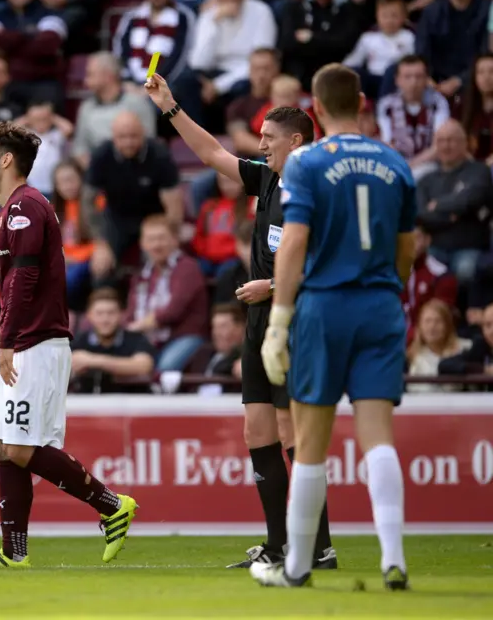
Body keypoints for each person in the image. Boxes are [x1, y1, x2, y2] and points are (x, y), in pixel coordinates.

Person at [144, 73, 335, 570]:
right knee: (258, 433)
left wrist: (271, 287)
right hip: (258, 323)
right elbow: (211, 155)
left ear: (296, 140)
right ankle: (277, 546)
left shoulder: (315, 187)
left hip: (291, 320)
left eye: (269, 138)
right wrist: (170, 108)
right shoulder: (269, 176)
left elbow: (328, 264)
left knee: (294, 435)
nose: (260, 144)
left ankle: (319, 547)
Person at [257, 63, 416, 590]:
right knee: (379, 438)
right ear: (364, 102)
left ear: (318, 108)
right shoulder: (397, 163)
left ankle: (298, 567)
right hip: (380, 306)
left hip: (324, 308)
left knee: (309, 442)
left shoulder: (305, 163)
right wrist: (387, 291)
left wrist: (279, 322)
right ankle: (393, 557)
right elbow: (406, 250)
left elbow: (294, 243)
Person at [0, 121, 137, 570]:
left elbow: (24, 280)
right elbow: (16, 288)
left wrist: (6, 344)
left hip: (35, 343)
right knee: (6, 444)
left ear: (5, 159)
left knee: (20, 447)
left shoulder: (25, 206)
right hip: (26, 341)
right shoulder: (14, 209)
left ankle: (113, 505)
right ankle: (13, 553)